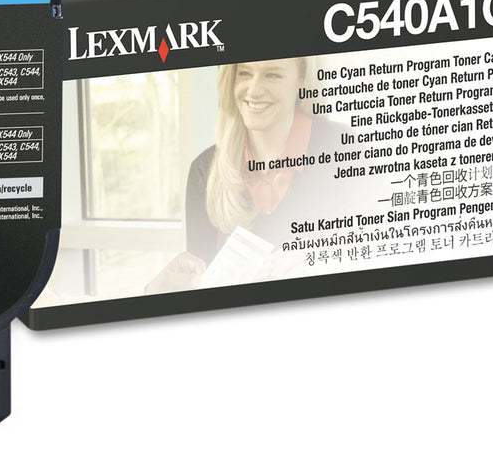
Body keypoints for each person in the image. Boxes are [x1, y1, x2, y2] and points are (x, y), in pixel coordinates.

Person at [146, 57, 345, 294]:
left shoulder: (345, 150)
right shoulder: (204, 170)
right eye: (244, 73)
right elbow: (202, 293)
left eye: (272, 75)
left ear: (301, 78)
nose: (254, 90)